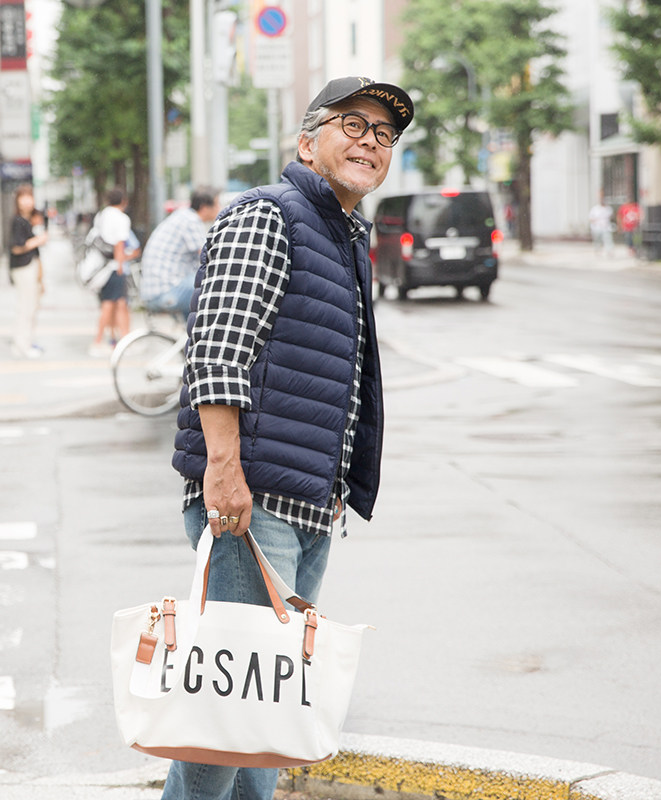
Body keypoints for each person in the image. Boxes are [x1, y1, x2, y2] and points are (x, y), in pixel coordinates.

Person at [163, 76, 413, 800]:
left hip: (305, 509)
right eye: (353, 125)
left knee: (267, 712)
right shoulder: (268, 216)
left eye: (385, 134)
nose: (371, 141)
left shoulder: (341, 235)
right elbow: (217, 348)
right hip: (251, 501)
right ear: (307, 143)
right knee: (229, 717)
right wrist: (223, 471)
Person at [139, 187, 220, 318]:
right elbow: (209, 256)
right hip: (168, 291)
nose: (220, 208)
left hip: (155, 291)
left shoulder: (181, 216)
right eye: (217, 204)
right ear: (205, 207)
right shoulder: (191, 220)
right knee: (217, 289)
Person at [89, 187, 135, 357]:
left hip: (100, 266)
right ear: (123, 201)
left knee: (115, 304)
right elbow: (119, 244)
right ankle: (99, 341)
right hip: (114, 267)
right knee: (111, 305)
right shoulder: (121, 218)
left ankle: (121, 340)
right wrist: (121, 267)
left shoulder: (101, 215)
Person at [8, 185, 47, 359]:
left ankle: (26, 342)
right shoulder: (18, 221)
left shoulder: (29, 219)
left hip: (30, 267)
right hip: (23, 268)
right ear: (18, 200)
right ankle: (22, 345)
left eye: (29, 197)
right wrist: (37, 241)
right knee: (26, 307)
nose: (27, 200)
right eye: (23, 197)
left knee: (30, 307)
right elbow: (16, 247)